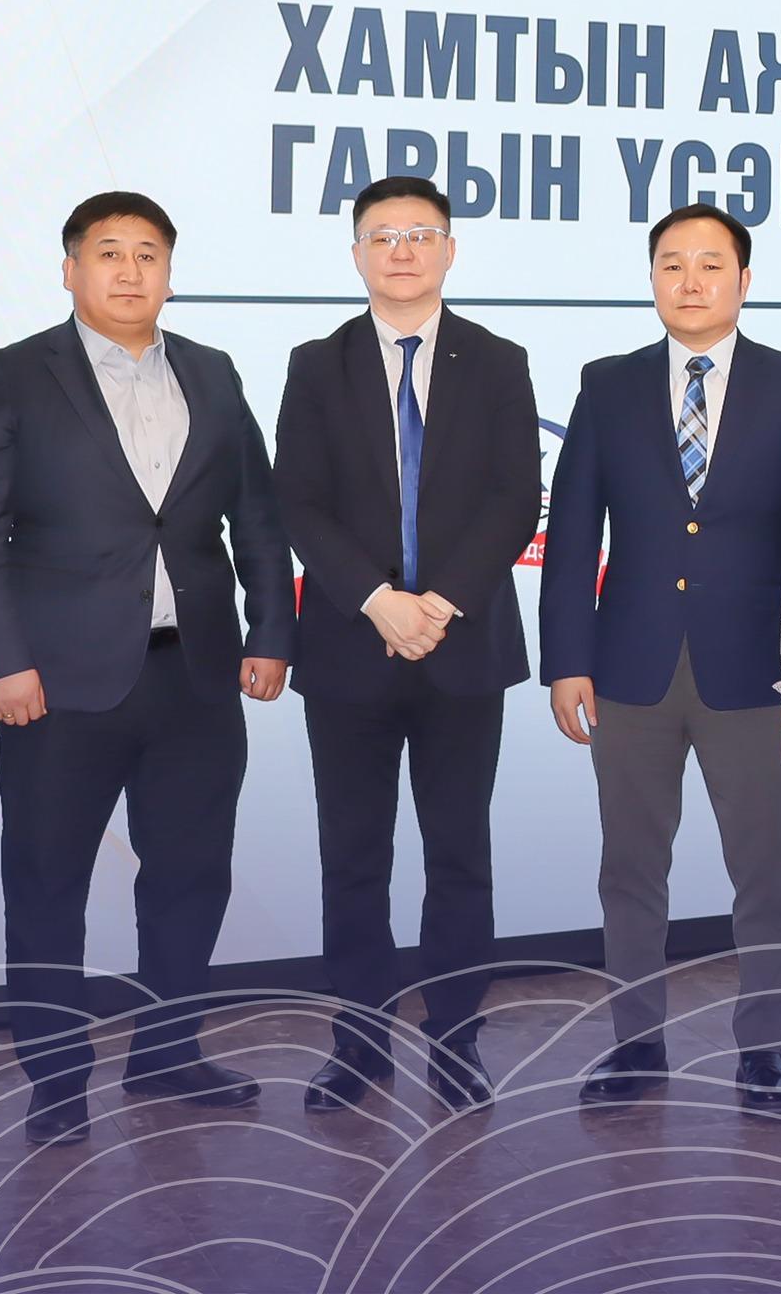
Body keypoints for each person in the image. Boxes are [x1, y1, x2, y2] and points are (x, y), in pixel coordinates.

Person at [0, 192, 292, 1147]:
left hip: (194, 674)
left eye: (148, 253)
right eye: (108, 252)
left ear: (169, 270)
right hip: (55, 684)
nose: (129, 271)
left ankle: (167, 1051)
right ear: (69, 269)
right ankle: (56, 1078)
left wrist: (271, 633)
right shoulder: (10, 374)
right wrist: (2, 662)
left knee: (191, 877)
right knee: (47, 886)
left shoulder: (212, 369)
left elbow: (257, 514)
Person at [541, 206, 781, 1112]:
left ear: (745, 280)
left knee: (765, 876)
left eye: (711, 264)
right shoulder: (608, 384)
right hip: (630, 667)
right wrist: (567, 658)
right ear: (652, 279)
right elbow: (573, 532)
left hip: (756, 671)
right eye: (673, 264)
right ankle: (635, 1045)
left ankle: (764, 1052)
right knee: (630, 871)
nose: (692, 280)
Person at [274, 175, 542, 1113]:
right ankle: (358, 1044)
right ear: (356, 254)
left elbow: (516, 497)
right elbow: (298, 499)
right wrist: (380, 601)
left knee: (459, 857)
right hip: (349, 650)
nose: (401, 250)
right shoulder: (318, 363)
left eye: (419, 234)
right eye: (382, 235)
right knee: (353, 860)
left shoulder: (498, 360)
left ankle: (457, 1041)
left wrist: (439, 604)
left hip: (463, 650)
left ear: (449, 250)